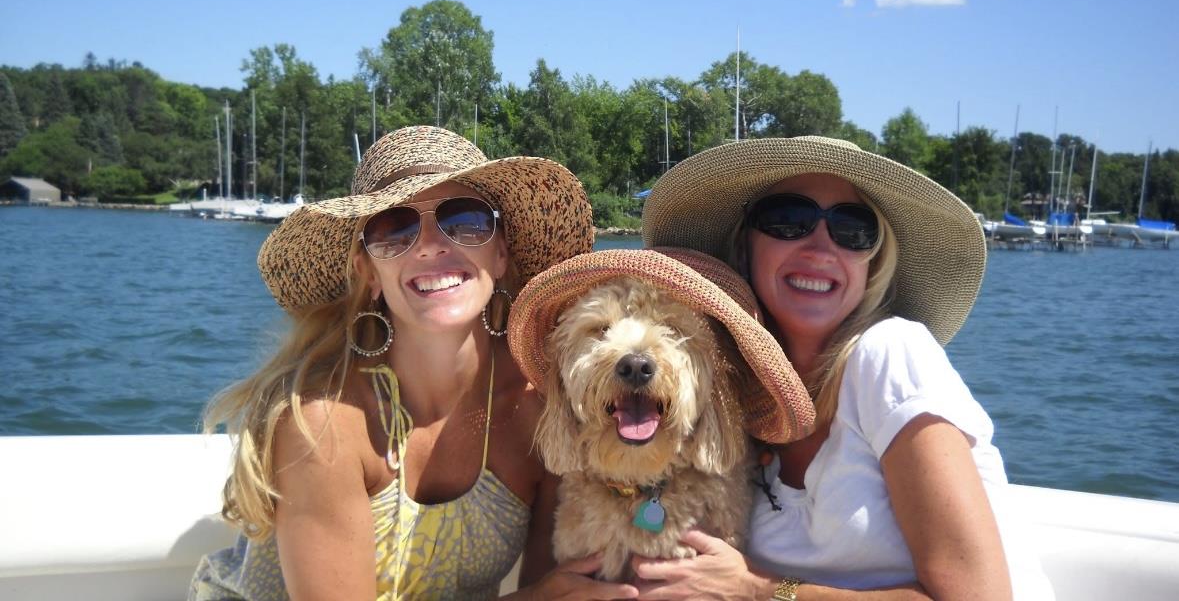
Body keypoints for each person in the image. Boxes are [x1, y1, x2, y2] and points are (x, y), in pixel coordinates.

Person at [190, 126, 639, 601]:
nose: (428, 244)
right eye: (393, 229)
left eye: (464, 220)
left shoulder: (543, 407)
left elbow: (559, 588)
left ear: (501, 251)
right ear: (369, 274)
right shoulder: (321, 422)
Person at [635, 136, 1054, 600]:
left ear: (873, 262)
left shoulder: (890, 352)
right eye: (788, 220)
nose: (820, 247)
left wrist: (757, 590)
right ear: (744, 246)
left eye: (852, 228)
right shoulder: (733, 398)